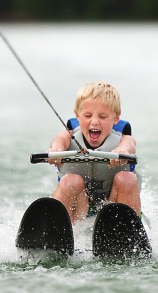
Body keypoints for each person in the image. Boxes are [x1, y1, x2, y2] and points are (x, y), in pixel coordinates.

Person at [47, 81, 141, 224]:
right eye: (88, 115)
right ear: (77, 116)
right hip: (79, 206)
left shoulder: (123, 138)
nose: (95, 122)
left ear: (115, 118)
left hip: (113, 205)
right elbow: (59, 140)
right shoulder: (69, 134)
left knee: (126, 179)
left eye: (102, 117)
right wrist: (56, 150)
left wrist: (122, 151)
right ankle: (56, 227)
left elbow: (130, 145)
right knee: (70, 181)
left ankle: (129, 229)